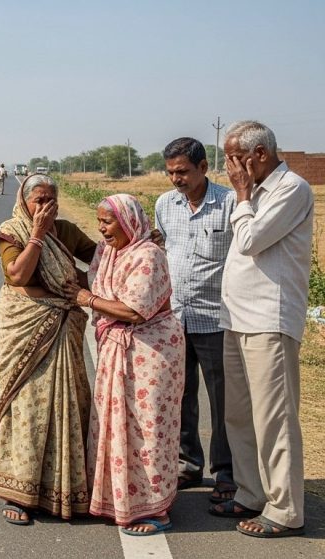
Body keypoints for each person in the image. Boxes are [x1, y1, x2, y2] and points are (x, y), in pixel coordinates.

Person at [213, 121, 312, 538]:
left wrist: (240, 195)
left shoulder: (291, 188)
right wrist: (244, 195)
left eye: (233, 158)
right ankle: (251, 493)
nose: (229, 167)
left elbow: (251, 239)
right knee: (240, 414)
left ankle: (286, 509)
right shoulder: (254, 192)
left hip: (269, 319)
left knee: (274, 418)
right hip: (236, 317)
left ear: (259, 155)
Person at [72, 193, 184, 536]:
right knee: (115, 424)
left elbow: (136, 310)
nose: (102, 229)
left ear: (129, 221)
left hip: (151, 353)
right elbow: (91, 281)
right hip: (118, 349)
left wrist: (88, 300)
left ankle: (156, 509)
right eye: (100, 221)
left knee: (148, 430)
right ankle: (120, 500)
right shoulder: (109, 253)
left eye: (108, 222)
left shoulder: (148, 255)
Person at [0, 174, 96, 525]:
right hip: (26, 328)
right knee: (27, 408)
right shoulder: (13, 231)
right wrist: (37, 234)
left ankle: (68, 489)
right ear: (23, 201)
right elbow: (17, 275)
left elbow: (103, 258)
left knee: (69, 404)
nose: (46, 207)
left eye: (51, 199)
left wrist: (137, 240)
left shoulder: (65, 231)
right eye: (39, 200)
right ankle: (19, 493)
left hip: (62, 329)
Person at [154, 138, 236, 503]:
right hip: (175, 317)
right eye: (171, 172)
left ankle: (227, 473)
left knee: (223, 400)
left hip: (216, 317)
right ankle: (188, 464)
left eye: (183, 171)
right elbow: (162, 249)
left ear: (203, 168)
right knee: (180, 394)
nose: (176, 179)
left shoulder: (230, 203)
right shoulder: (164, 204)